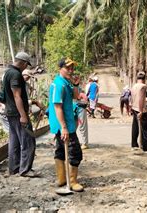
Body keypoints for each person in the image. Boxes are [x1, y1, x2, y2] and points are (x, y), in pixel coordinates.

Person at [48, 58, 84, 193]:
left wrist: (76, 84)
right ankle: (72, 181)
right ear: (60, 68)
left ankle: (62, 178)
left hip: (67, 123)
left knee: (60, 150)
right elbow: (57, 107)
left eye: (72, 68)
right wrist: (63, 127)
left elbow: (76, 97)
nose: (70, 70)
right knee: (75, 152)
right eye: (67, 68)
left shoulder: (66, 83)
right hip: (63, 125)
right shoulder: (58, 84)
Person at [3, 52, 39, 177]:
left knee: (14, 140)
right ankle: (25, 169)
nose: (26, 68)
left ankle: (14, 168)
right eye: (26, 65)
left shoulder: (7, 72)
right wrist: (23, 115)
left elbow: (3, 95)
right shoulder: (15, 74)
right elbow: (17, 95)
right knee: (28, 140)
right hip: (17, 113)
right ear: (23, 63)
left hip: (10, 112)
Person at [130, 72, 147, 152]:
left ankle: (134, 144)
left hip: (134, 107)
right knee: (146, 129)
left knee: (135, 127)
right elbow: (140, 98)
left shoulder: (134, 86)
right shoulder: (143, 86)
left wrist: (131, 106)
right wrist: (141, 111)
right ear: (144, 79)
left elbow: (132, 97)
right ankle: (146, 146)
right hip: (141, 109)